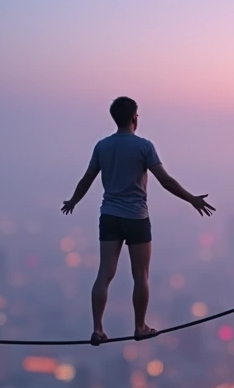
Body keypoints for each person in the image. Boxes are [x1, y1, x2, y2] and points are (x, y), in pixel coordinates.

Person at [61, 97, 215, 345]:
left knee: (104, 274)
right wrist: (191, 199)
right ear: (135, 118)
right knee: (140, 275)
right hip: (136, 218)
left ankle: (97, 329)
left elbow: (86, 179)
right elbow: (166, 181)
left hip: (109, 216)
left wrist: (73, 201)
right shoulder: (144, 146)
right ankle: (140, 326)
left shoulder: (102, 146)